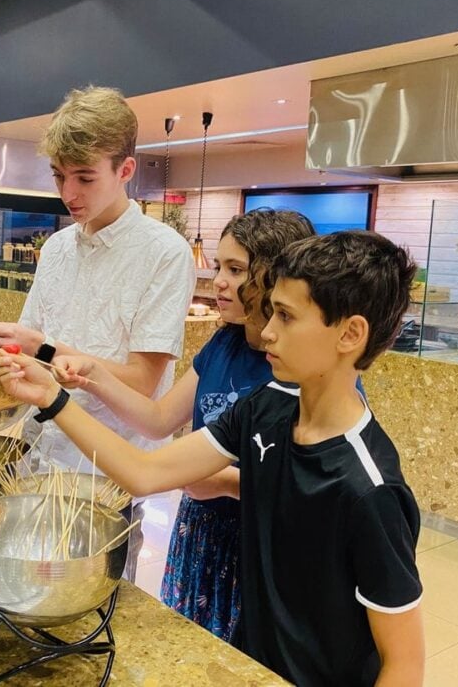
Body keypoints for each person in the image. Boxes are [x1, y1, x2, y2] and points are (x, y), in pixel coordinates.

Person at [0, 230, 425, 687]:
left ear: (350, 333)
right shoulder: (266, 407)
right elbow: (146, 471)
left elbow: (404, 663)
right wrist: (52, 397)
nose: (269, 329)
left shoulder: (371, 490)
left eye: (287, 316)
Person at [50, 209, 315, 642]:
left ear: (276, 277)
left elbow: (309, 486)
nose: (219, 282)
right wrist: (92, 377)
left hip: (259, 541)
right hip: (201, 528)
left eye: (236, 269)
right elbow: (158, 420)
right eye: (218, 266)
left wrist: (227, 482)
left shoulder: (299, 366)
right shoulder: (223, 342)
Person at [0, 85, 195, 581]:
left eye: (85, 178)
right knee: (24, 593)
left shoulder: (164, 253)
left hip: (105, 474)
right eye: (59, 176)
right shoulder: (57, 248)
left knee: (96, 608)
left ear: (125, 171)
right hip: (37, 456)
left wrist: (40, 348)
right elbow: (33, 349)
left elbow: (141, 383)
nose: (68, 193)